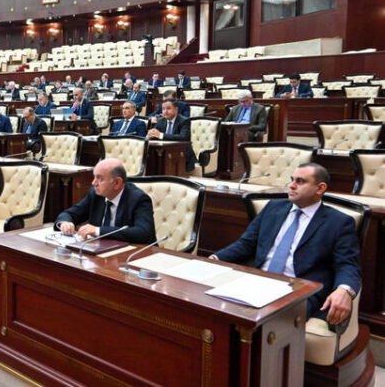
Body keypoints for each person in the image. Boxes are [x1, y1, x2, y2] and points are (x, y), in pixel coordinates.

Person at [212, 163, 360, 323]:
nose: (291, 185)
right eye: (292, 180)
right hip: (257, 281)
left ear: (320, 188)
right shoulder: (273, 208)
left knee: (265, 319)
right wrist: (215, 259)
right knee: (214, 305)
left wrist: (344, 290)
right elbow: (245, 244)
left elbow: (347, 264)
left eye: (300, 181)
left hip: (300, 290)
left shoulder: (338, 222)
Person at [55, 158, 155, 242]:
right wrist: (65, 223)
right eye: (94, 177)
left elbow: (143, 232)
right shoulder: (96, 194)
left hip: (133, 253)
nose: (94, 183)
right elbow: (69, 214)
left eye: (100, 178)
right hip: (100, 251)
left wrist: (98, 231)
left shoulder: (138, 199)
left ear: (117, 183)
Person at [147, 99, 196, 172]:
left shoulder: (184, 121)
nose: (165, 111)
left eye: (168, 108)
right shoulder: (160, 121)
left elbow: (183, 137)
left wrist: (161, 135)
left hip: (182, 155)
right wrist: (150, 134)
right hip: (163, 154)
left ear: (176, 109)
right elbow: (154, 135)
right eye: (163, 109)